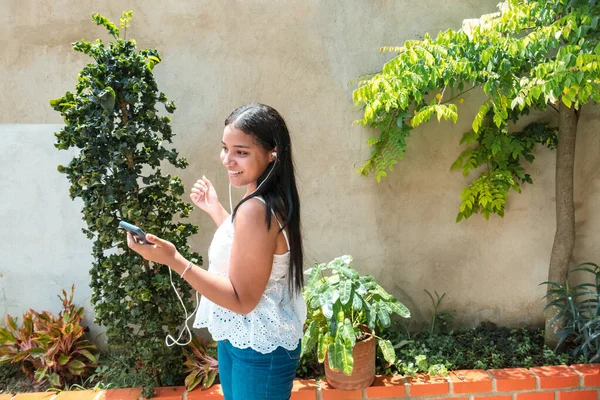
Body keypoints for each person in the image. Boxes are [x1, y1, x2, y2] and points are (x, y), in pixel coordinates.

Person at [126, 103, 306, 400]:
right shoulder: (266, 196)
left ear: (272, 152)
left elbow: (242, 299)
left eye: (241, 152)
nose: (227, 160)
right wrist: (217, 210)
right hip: (245, 337)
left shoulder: (256, 209)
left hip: (257, 347)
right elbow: (250, 251)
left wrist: (174, 260)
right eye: (226, 148)